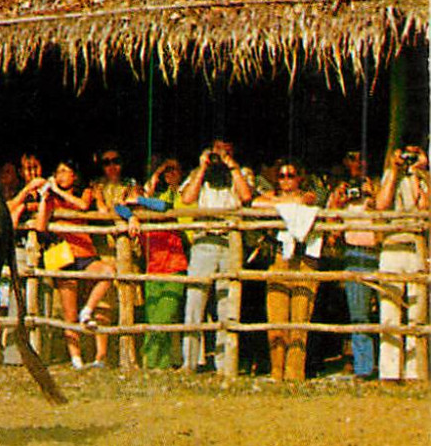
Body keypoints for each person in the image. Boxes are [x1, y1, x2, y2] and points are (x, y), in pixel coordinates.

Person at [178, 139, 255, 373]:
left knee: (226, 303)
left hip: (229, 241)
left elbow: (245, 196)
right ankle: (189, 362)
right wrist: (202, 168)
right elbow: (187, 198)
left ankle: (224, 364)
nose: (220, 156)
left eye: (226, 151)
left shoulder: (242, 173)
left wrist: (231, 166)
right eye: (217, 152)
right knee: (194, 302)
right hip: (204, 240)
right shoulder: (197, 173)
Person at [30, 161, 116, 368]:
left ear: (74, 175)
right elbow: (41, 225)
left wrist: (59, 191)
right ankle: (76, 359)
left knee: (108, 272)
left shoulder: (84, 192)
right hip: (63, 256)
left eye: (65, 171)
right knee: (68, 312)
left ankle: (87, 310)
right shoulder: (53, 198)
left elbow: (83, 205)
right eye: (58, 172)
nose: (61, 175)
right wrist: (45, 198)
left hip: (85, 252)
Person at [255, 159, 321, 381]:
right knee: (277, 317)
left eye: (290, 175)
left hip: (304, 259)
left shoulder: (309, 195)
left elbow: (309, 202)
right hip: (280, 258)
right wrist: (281, 201)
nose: (285, 180)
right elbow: (255, 203)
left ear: (299, 178)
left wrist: (286, 203)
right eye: (281, 176)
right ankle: (277, 370)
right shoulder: (272, 197)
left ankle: (295, 372)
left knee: (300, 318)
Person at [374, 144, 428, 382]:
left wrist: (419, 174)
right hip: (392, 246)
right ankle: (389, 372)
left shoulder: (424, 179)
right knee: (389, 310)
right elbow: (381, 205)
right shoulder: (390, 176)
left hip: (415, 246)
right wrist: (395, 172)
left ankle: (415, 372)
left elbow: (424, 206)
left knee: (417, 312)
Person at [129, 156, 187, 369]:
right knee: (152, 320)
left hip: (174, 269)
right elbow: (119, 208)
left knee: (163, 319)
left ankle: (153, 363)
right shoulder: (141, 214)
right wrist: (132, 215)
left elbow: (166, 205)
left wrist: (142, 199)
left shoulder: (167, 200)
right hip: (153, 271)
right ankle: (156, 366)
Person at [327, 151, 380, 379]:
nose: (357, 163)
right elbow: (330, 229)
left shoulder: (380, 186)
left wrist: (374, 200)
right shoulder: (341, 191)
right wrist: (339, 203)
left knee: (389, 313)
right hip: (355, 252)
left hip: (380, 253)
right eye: (352, 158)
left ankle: (391, 368)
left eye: (362, 158)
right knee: (359, 314)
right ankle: (364, 368)